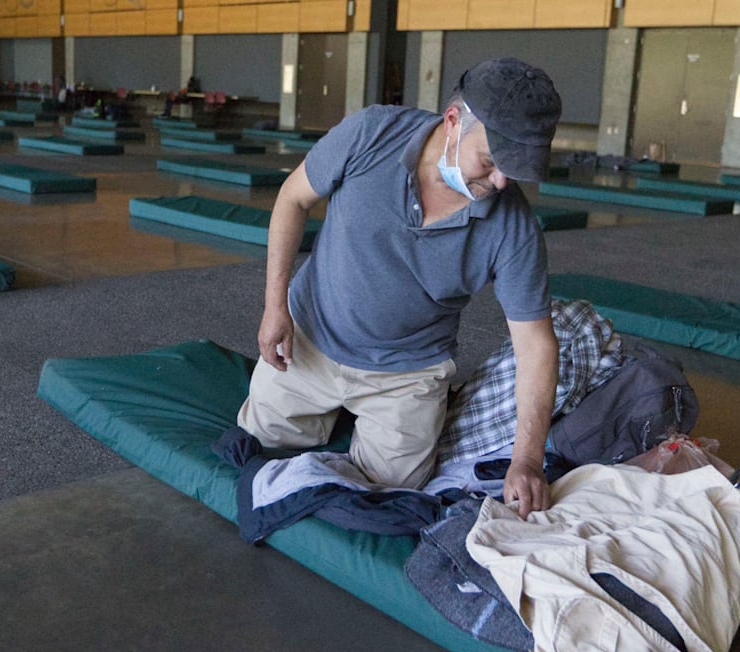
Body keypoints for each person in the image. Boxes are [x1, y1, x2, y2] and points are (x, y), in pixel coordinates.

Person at [236, 58, 563, 520]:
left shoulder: (513, 226)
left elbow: (536, 345)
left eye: (515, 170)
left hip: (407, 371)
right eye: (491, 162)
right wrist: (275, 307)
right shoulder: (371, 133)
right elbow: (293, 199)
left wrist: (526, 459)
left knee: (392, 486)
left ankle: (365, 418)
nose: (501, 182)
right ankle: (323, 411)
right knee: (261, 442)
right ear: (453, 121)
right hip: (311, 336)